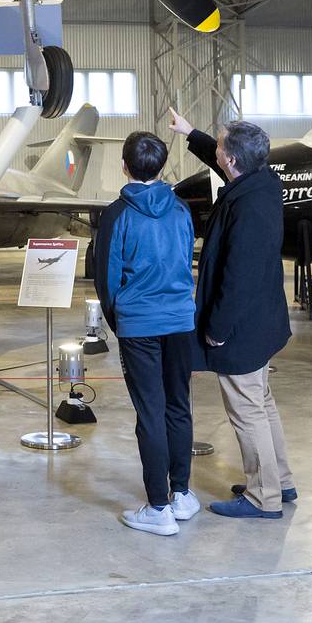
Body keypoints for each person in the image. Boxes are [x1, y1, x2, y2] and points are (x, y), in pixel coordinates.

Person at [168, 110, 297, 520]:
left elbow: (237, 276)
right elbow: (221, 157)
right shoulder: (260, 182)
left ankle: (263, 497)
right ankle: (281, 480)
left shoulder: (247, 209)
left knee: (247, 410)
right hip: (262, 321)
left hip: (241, 326)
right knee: (261, 401)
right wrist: (192, 134)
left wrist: (218, 330)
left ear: (232, 161)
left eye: (220, 146)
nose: (217, 151)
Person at [93, 131, 200, 537]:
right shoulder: (180, 211)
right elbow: (187, 257)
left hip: (139, 323)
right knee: (178, 405)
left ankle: (158, 507)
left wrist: (120, 321)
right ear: (162, 167)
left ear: (124, 166)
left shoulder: (117, 213)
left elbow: (106, 277)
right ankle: (182, 494)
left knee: (150, 412)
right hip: (179, 321)